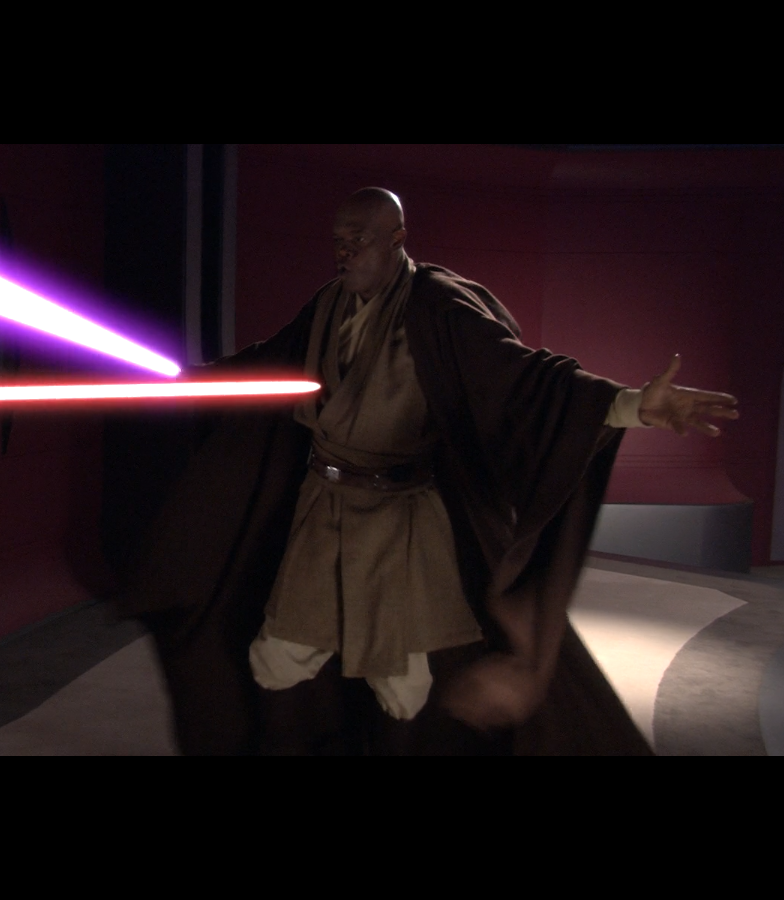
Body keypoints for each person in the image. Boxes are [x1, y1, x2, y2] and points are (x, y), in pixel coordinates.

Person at [118, 188, 739, 755]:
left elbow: (522, 378)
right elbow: (267, 363)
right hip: (322, 513)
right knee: (279, 659)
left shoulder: (439, 307)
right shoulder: (328, 304)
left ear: (397, 239)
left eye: (359, 239)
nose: (344, 252)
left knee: (404, 686)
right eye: (338, 241)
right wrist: (186, 381)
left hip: (401, 525)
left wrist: (633, 405)